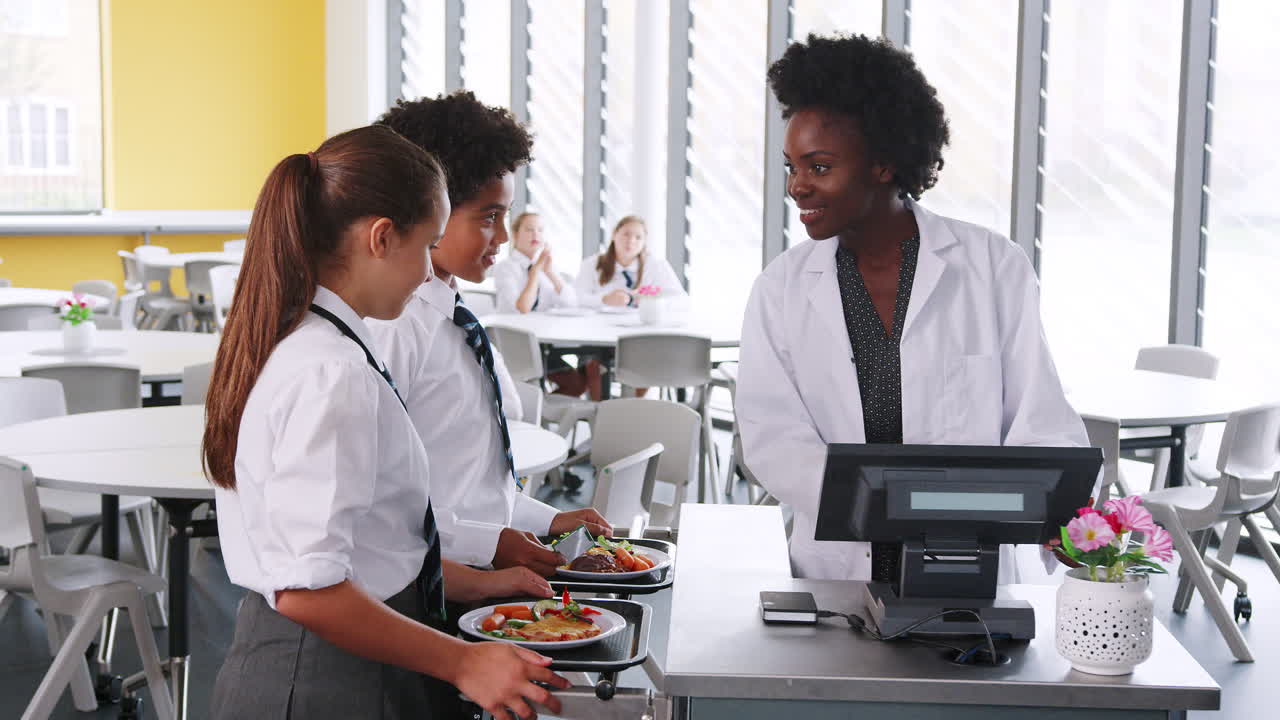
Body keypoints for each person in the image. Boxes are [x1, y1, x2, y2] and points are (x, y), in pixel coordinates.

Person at [204, 125, 567, 720]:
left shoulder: (308, 340)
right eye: (427, 247)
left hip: (345, 652)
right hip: (322, 674)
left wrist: (475, 583)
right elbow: (308, 589)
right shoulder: (331, 370)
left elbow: (373, 542)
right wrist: (464, 661)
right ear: (381, 238)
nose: (429, 273)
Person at [736, 34, 1090, 584]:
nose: (797, 187)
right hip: (841, 568)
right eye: (792, 166)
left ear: (883, 163)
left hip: (978, 563)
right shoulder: (779, 289)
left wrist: (1052, 513)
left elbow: (1039, 418)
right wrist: (886, 509)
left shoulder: (993, 266)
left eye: (820, 167)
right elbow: (772, 437)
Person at [370, 91, 610, 576]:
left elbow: (470, 484)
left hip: (474, 575)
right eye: (489, 216)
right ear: (430, 210)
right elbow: (379, 509)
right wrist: (491, 547)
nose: (502, 237)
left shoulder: (457, 315)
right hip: (430, 588)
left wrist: (547, 519)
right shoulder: (393, 329)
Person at [573, 215, 686, 309]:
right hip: (601, 326)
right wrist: (603, 299)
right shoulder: (592, 264)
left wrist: (649, 301)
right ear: (614, 234)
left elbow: (681, 301)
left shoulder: (657, 265)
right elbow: (576, 298)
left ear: (644, 241)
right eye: (626, 234)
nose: (631, 241)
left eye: (638, 237)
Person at [493, 211, 578, 313]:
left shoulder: (546, 266)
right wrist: (535, 272)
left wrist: (551, 273)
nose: (536, 234)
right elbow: (522, 309)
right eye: (529, 230)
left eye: (540, 230)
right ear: (515, 235)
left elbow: (571, 304)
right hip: (512, 326)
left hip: (542, 326)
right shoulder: (505, 267)